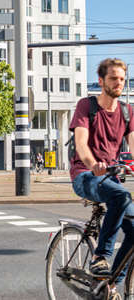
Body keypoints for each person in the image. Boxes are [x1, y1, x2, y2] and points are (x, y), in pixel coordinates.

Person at [69, 58, 134, 289]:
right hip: (85, 175)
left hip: (111, 178)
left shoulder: (127, 112)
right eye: (113, 78)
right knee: (121, 196)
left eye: (122, 79)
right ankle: (100, 256)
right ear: (101, 81)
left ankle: (110, 287)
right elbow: (81, 143)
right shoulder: (86, 106)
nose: (119, 83)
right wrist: (93, 163)